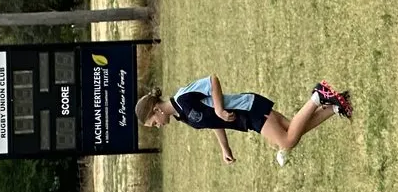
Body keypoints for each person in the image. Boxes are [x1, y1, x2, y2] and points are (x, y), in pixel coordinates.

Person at [136, 73, 351, 167]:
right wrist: (225, 148)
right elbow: (214, 123)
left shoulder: (183, 97)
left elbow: (212, 81)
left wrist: (220, 109)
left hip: (248, 108)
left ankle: (318, 96)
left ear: (156, 110)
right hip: (246, 119)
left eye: (153, 123)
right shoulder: (182, 116)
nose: (157, 126)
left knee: (286, 141)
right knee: (293, 129)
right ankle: (335, 106)